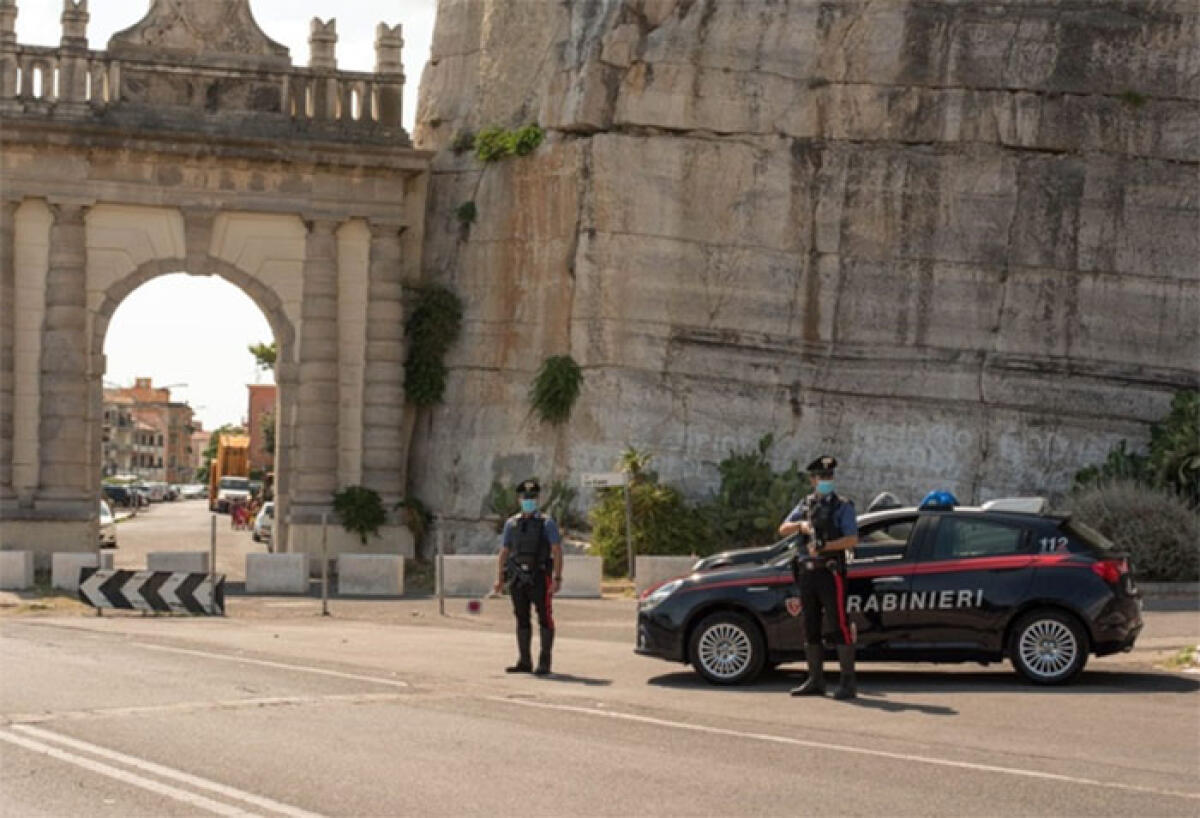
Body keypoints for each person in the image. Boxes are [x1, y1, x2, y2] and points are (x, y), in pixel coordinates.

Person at [779, 455, 859, 700]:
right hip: (807, 572)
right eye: (822, 477)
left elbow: (852, 539)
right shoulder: (804, 505)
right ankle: (815, 679)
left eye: (830, 476)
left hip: (829, 570)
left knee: (839, 624)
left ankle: (847, 682)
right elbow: (782, 528)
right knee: (809, 625)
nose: (827, 480)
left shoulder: (842, 506)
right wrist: (801, 526)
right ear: (812, 480)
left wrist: (826, 546)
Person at [493, 478, 563, 676]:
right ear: (519, 499)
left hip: (540, 576)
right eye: (525, 497)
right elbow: (504, 551)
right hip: (517, 578)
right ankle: (524, 661)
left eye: (532, 497)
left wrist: (557, 578)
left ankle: (544, 662)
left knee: (545, 618)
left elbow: (556, 550)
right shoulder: (511, 523)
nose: (528, 500)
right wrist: (500, 578)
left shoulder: (546, 523)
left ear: (538, 499)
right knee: (521, 618)